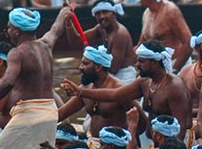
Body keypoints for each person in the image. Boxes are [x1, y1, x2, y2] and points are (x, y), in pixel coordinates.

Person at [0, 6, 74, 149]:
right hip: (50, 113)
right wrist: (64, 12)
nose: (8, 31)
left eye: (10, 27)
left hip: (29, 115)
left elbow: (8, 82)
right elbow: (56, 28)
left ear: (17, 31)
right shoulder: (46, 44)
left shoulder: (17, 53)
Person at [62, 39, 193, 133]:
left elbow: (180, 127)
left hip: (176, 146)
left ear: (154, 63)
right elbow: (113, 94)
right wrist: (80, 92)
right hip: (157, 142)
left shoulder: (175, 87)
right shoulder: (144, 82)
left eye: (141, 62)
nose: (137, 65)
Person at [59, 46, 133, 149]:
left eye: (85, 64)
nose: (80, 67)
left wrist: (130, 147)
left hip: (116, 147)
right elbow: (61, 114)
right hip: (93, 143)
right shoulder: (84, 88)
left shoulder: (119, 89)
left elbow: (140, 120)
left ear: (98, 67)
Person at [136, 0, 194, 70]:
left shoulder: (170, 11)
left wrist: (174, 70)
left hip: (176, 64)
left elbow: (188, 42)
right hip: (158, 69)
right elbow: (142, 43)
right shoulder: (146, 13)